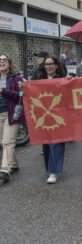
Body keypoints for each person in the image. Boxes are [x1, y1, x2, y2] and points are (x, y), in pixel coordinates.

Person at [38, 56, 67, 184]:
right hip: (44, 117)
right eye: (46, 64)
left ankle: (53, 172)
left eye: (51, 64)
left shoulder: (62, 79)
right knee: (46, 144)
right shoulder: (39, 79)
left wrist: (70, 81)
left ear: (56, 66)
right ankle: (49, 169)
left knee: (56, 144)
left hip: (58, 117)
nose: (48, 66)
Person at [0, 54, 25, 186]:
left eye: (4, 59)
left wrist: (4, 91)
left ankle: (5, 170)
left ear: (9, 63)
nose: (1, 61)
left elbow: (20, 97)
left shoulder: (16, 78)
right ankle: (14, 164)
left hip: (11, 114)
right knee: (3, 142)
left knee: (8, 142)